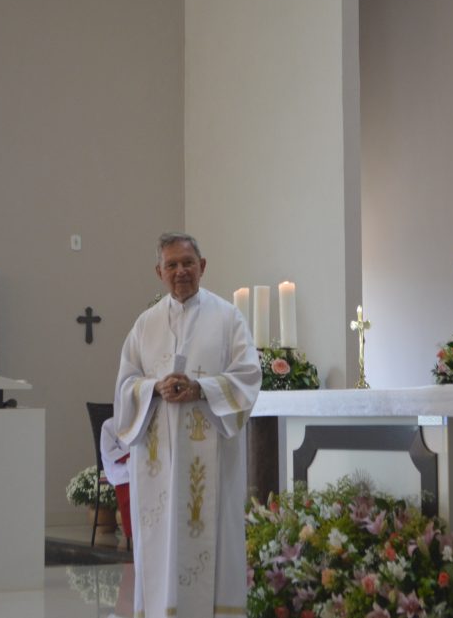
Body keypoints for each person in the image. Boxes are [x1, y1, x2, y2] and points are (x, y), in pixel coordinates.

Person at [114, 232, 261, 618]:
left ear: (203, 266)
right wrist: (153, 389)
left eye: (188, 263)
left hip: (211, 457)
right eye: (172, 265)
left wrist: (202, 388)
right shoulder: (145, 325)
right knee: (162, 541)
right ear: (159, 271)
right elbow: (125, 385)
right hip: (158, 463)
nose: (181, 271)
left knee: (212, 535)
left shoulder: (228, 317)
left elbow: (248, 375)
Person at [99, 416, 132, 547]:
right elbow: (110, 452)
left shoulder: (143, 421)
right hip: (121, 469)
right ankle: (131, 534)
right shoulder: (109, 424)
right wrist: (132, 457)